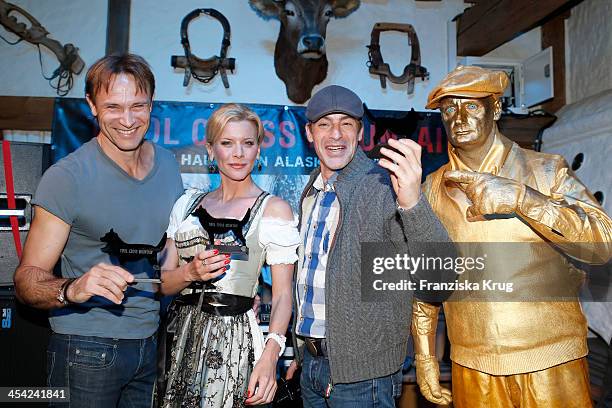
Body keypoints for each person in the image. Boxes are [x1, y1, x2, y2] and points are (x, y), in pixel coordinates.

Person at [412, 65, 612, 407]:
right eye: (449, 109)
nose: (459, 117)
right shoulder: (432, 188)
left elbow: (602, 244)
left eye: (472, 106)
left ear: (496, 108)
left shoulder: (546, 170)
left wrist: (525, 199)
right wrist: (426, 357)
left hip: (551, 357)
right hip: (472, 364)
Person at [13, 54, 184, 407]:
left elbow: (166, 262)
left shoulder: (168, 165)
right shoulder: (67, 177)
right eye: (113, 107)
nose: (127, 120)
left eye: (138, 106)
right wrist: (72, 288)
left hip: (150, 343)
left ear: (152, 104)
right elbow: (26, 280)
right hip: (85, 348)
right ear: (91, 105)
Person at [288, 85, 454, 407]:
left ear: (360, 132)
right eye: (324, 124)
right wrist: (301, 351)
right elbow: (312, 281)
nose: (335, 134)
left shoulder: (383, 185)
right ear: (309, 133)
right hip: (312, 367)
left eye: (346, 123)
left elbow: (439, 282)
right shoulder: (311, 191)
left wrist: (412, 201)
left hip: (364, 380)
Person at [159, 103, 300, 407]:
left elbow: (284, 295)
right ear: (211, 149)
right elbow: (161, 283)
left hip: (233, 345)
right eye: (227, 143)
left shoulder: (273, 210)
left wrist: (269, 356)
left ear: (258, 150)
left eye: (247, 143)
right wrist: (189, 274)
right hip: (177, 340)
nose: (238, 153)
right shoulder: (186, 206)